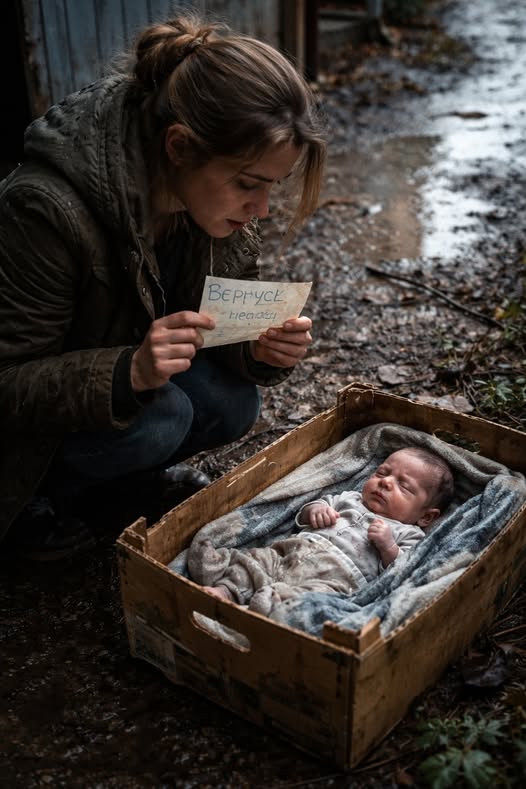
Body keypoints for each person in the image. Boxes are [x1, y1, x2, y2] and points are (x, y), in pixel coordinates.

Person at [0, 14, 326, 560]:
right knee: (166, 415)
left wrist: (257, 346)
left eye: (272, 187)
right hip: (26, 438)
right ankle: (35, 501)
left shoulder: (206, 197)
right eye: (248, 184)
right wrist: (127, 372)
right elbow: (7, 381)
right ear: (178, 147)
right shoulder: (46, 209)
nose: (262, 209)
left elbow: (224, 315)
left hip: (118, 390)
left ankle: (118, 487)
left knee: (232, 401)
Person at [196, 447, 455, 613]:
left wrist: (388, 547)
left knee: (306, 602)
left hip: (336, 578)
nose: (385, 482)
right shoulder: (349, 498)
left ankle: (260, 611)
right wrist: (315, 510)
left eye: (403, 486)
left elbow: (403, 573)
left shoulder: (408, 534)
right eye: (382, 472)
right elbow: (305, 513)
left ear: (426, 516)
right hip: (292, 551)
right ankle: (224, 591)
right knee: (257, 562)